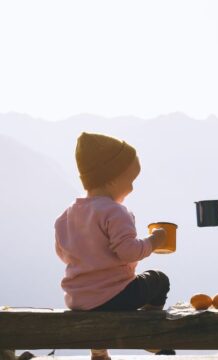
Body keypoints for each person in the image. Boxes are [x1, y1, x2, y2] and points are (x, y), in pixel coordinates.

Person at [55, 132, 174, 360]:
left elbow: (62, 253)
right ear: (111, 179)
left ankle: (99, 350)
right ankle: (151, 336)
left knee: (101, 307)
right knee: (159, 280)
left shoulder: (66, 215)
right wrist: (154, 241)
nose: (132, 188)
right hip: (115, 296)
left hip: (77, 299)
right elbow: (127, 251)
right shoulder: (115, 212)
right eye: (130, 181)